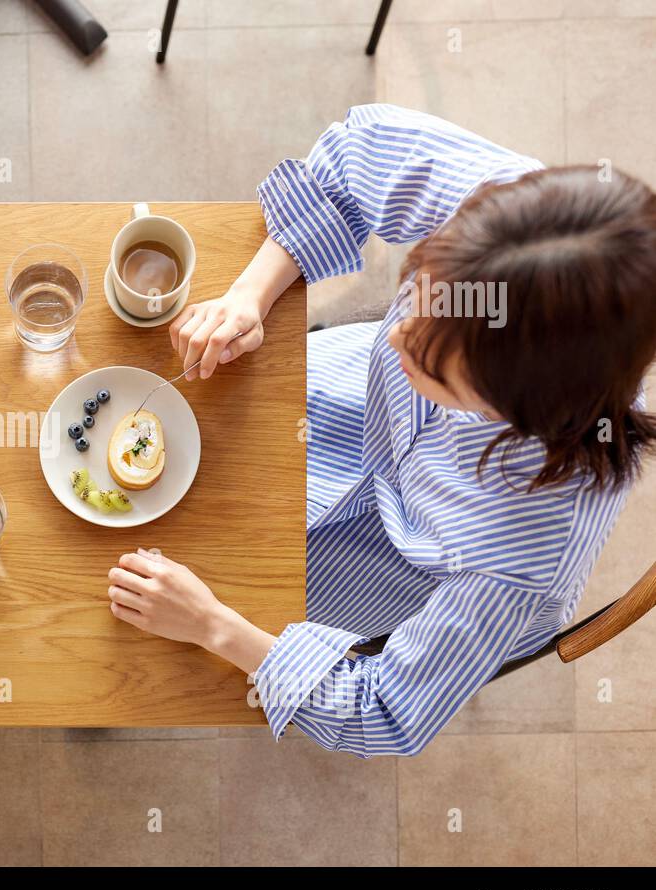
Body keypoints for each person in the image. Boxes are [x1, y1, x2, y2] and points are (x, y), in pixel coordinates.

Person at [105, 104, 656, 756]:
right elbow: (356, 155)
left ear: (516, 410)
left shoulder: (519, 563)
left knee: (134, 641)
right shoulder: (521, 226)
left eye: (429, 364)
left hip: (380, 566)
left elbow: (383, 713)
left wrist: (214, 626)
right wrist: (250, 297)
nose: (394, 336)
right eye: (415, 303)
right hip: (337, 407)